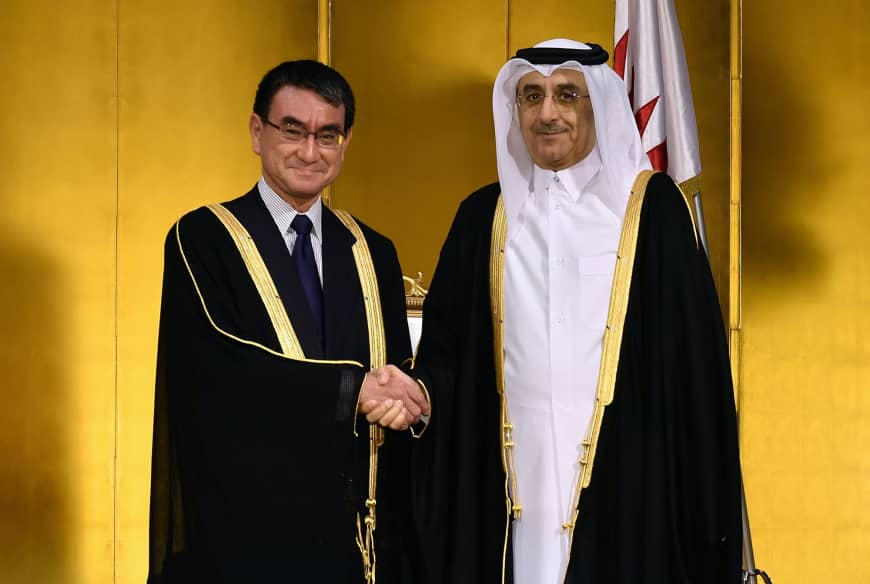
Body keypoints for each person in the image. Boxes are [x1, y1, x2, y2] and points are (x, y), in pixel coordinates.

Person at [409, 39, 742, 583]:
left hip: (629, 483)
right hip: (513, 485)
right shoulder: (482, 218)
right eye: (531, 96)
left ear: (601, 106)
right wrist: (420, 394)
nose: (547, 114)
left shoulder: (653, 213)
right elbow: (449, 358)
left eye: (568, 95)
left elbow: (693, 369)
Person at [148, 59, 429, 584]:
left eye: (328, 135)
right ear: (258, 132)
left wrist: (410, 395)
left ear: (345, 142)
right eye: (292, 130)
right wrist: (353, 389)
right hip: (247, 532)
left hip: (354, 534)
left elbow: (397, 365)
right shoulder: (205, 237)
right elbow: (218, 368)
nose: (309, 151)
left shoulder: (372, 250)